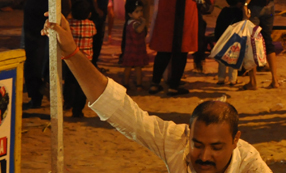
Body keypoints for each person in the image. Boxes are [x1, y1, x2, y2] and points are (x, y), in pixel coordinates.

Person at [43, 15, 270, 173]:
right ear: (188, 135)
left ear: (235, 141)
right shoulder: (176, 141)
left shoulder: (251, 166)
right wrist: (71, 52)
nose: (204, 157)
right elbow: (120, 110)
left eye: (216, 147)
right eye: (197, 144)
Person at [64, 0, 95, 117]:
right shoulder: (91, 25)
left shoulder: (69, 24)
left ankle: (68, 102)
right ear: (89, 14)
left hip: (71, 58)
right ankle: (78, 109)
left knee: (70, 82)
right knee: (82, 86)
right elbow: (94, 33)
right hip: (86, 60)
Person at [122, 2, 149, 91]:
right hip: (133, 49)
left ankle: (132, 84)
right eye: (137, 11)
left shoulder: (131, 22)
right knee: (132, 68)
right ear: (130, 14)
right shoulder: (134, 23)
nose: (140, 13)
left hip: (134, 49)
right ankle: (136, 84)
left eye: (140, 11)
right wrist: (144, 23)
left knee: (134, 67)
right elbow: (138, 30)